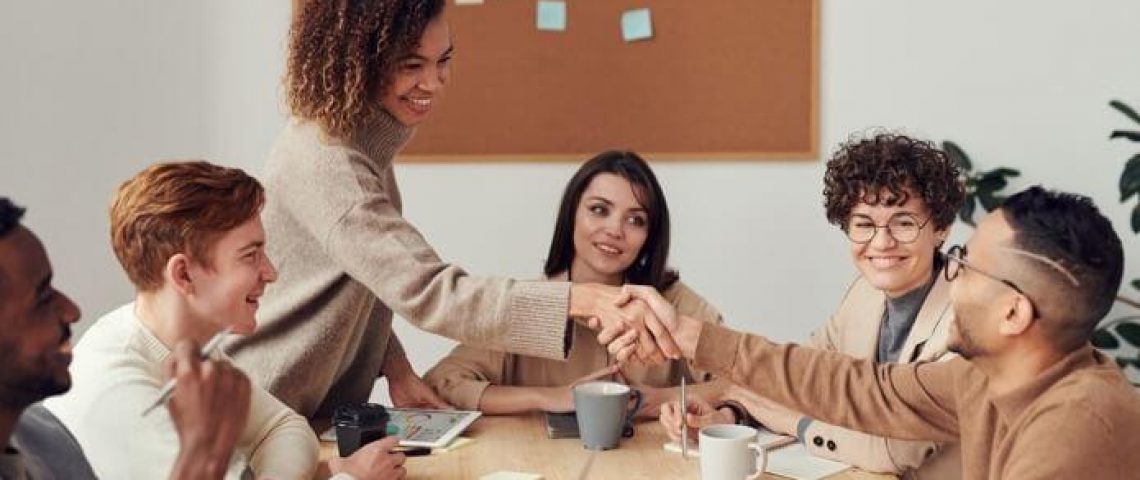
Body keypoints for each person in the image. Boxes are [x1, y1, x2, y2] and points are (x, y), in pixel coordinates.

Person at [226, 0, 672, 428]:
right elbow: (430, 291)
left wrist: (396, 368)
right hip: (263, 412)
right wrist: (581, 299)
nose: (435, 82)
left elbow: (367, 280)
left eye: (443, 61)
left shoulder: (360, 148)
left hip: (307, 415)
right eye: (411, 65)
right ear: (359, 60)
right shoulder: (330, 163)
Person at [630, 186, 1140, 479]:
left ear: (1013, 314)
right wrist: (696, 338)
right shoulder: (985, 378)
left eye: (964, 263)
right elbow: (862, 388)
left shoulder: (1079, 427)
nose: (951, 274)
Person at [45, 162, 404, 480]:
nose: (271, 272)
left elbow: (284, 428)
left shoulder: (183, 344)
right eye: (250, 256)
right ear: (184, 275)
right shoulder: (123, 396)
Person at [659, 133, 964, 477]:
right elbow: (798, 381)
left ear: (941, 229)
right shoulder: (863, 294)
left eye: (904, 223)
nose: (881, 242)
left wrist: (799, 425)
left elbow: (891, 450)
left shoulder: (967, 318)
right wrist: (730, 415)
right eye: (864, 224)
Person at [425, 151, 724, 417]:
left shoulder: (673, 303)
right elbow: (442, 383)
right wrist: (551, 397)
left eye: (635, 221)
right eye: (599, 210)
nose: (615, 230)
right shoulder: (530, 304)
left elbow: (747, 384)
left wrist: (661, 399)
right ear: (571, 216)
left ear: (650, 237)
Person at [0, 196, 252, 480]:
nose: (72, 311)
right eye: (43, 297)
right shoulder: (115, 375)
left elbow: (283, 425)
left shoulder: (48, 439)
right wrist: (202, 452)